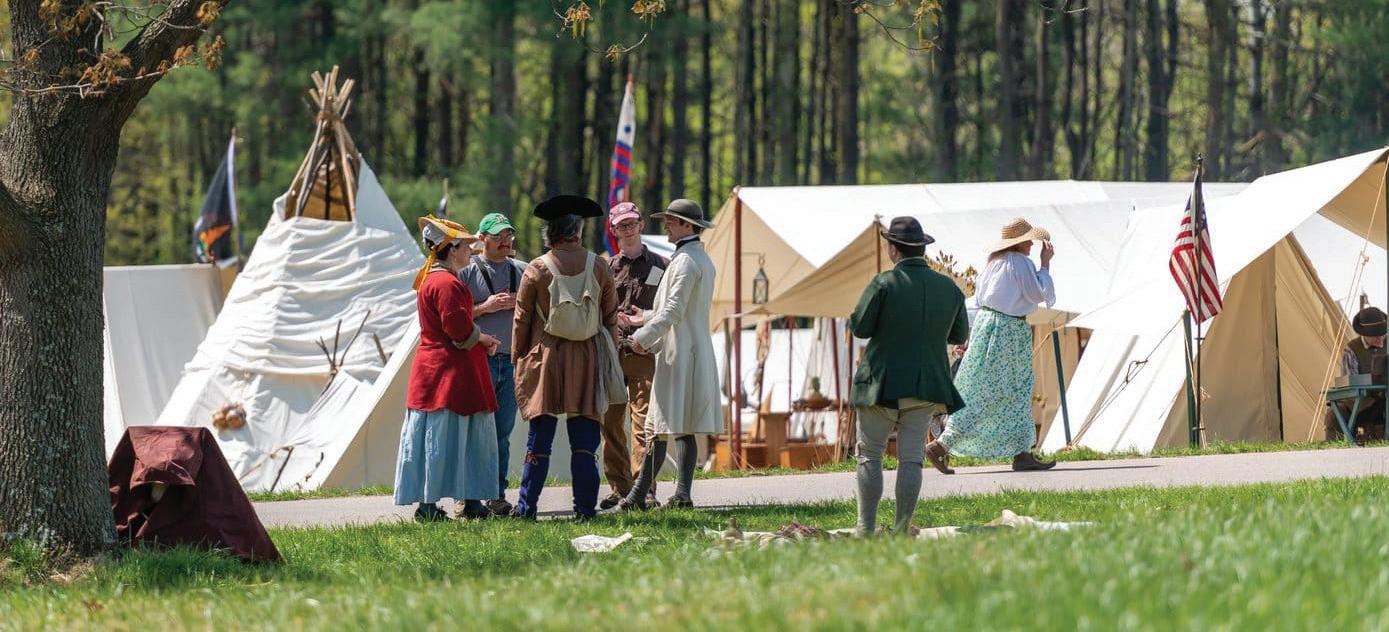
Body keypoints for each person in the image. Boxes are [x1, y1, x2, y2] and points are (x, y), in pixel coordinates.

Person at [848, 217, 970, 536]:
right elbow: (958, 335)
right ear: (922, 248)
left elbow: (860, 327)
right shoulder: (949, 288)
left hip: (881, 383)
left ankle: (866, 529)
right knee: (912, 459)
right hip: (926, 384)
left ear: (893, 249)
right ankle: (902, 530)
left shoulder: (883, 283)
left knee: (869, 455)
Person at [511, 195, 625, 520]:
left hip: (546, 359)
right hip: (586, 359)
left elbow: (521, 319)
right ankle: (585, 509)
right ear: (578, 230)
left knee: (539, 442)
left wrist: (518, 356)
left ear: (550, 231)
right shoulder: (599, 266)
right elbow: (611, 317)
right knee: (585, 444)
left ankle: (527, 508)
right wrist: (612, 356)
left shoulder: (536, 269)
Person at [394, 215, 502, 522]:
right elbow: (458, 330)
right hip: (449, 374)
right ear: (452, 249)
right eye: (466, 246)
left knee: (459, 438)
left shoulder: (437, 279)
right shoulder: (446, 283)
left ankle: (470, 501)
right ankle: (430, 506)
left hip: (447, 373)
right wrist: (483, 338)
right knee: (444, 440)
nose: (470, 252)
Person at [932, 217, 1057, 472]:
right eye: (1028, 241)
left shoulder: (994, 263)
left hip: (989, 326)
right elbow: (1036, 293)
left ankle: (1022, 452)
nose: (1031, 245)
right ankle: (942, 445)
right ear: (1018, 243)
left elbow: (980, 300)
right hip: (1008, 331)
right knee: (1002, 391)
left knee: (996, 390)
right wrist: (1045, 265)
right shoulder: (1019, 262)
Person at [621, 199, 721, 510]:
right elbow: (676, 310)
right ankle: (679, 495)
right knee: (675, 425)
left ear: (687, 226)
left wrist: (641, 338)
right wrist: (643, 318)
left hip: (680, 352)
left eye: (672, 221)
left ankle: (640, 498)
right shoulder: (693, 258)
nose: (666, 225)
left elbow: (675, 311)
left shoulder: (687, 261)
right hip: (685, 349)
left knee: (661, 426)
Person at [599, 202, 669, 510]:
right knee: (611, 422)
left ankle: (644, 489)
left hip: (643, 350)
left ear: (641, 225)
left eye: (631, 223)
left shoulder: (662, 265)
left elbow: (668, 310)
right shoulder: (604, 268)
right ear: (613, 231)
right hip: (612, 352)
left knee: (643, 421)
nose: (627, 229)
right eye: (621, 225)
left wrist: (649, 331)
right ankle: (619, 487)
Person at [459, 211, 529, 516]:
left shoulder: (523, 270)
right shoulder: (466, 272)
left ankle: (497, 495)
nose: (505, 241)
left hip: (511, 361)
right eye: (498, 236)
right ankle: (468, 497)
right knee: (474, 432)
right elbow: (453, 317)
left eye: (508, 235)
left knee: (502, 433)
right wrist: (484, 307)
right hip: (478, 361)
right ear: (482, 238)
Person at [1333, 306, 1387, 441]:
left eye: (1383, 333)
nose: (1381, 338)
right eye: (1376, 335)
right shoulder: (1352, 349)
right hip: (1363, 402)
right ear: (1365, 334)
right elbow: (1350, 384)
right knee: (1334, 416)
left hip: (1384, 397)